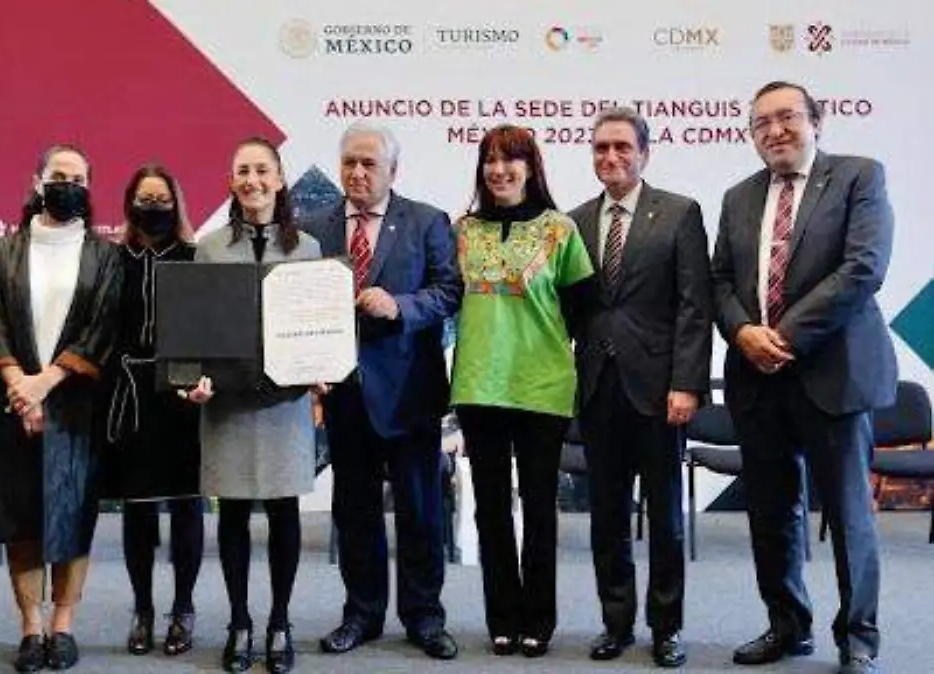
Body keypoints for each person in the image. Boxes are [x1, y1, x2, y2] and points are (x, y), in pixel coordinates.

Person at [712, 81, 895, 674]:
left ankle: (858, 638)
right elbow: (719, 281)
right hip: (757, 378)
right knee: (771, 513)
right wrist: (744, 332)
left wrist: (782, 336)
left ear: (817, 121)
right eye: (761, 123)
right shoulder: (738, 196)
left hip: (833, 372)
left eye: (787, 117)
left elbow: (863, 268)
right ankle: (788, 626)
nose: (775, 131)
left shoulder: (859, 176)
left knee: (847, 514)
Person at [304, 122, 463, 660]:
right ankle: (362, 614)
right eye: (349, 161)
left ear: (393, 170)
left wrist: (400, 306)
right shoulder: (313, 228)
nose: (356, 172)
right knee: (355, 512)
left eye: (369, 163)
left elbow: (449, 291)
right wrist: (306, 365)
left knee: (420, 512)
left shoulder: (426, 221)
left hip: (410, 394)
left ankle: (424, 617)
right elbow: (298, 308)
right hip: (343, 394)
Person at [567, 107, 711, 668]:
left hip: (658, 392)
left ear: (644, 153)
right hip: (596, 390)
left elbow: (695, 307)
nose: (611, 157)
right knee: (607, 518)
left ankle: (666, 628)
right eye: (601, 148)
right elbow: (570, 310)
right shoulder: (574, 221)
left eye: (622, 147)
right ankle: (616, 624)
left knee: (666, 519)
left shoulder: (679, 213)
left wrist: (687, 384)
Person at [449, 124, 594, 658]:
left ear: (531, 168)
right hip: (478, 386)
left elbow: (582, 312)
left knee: (538, 510)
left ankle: (539, 619)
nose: (499, 170)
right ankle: (502, 619)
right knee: (489, 510)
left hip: (541, 387)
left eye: (511, 159)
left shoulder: (560, 230)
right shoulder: (461, 231)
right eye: (489, 159)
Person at [0, 144, 123, 672]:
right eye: (59, 175)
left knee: (72, 515)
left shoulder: (104, 255)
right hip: (13, 402)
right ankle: (30, 627)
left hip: (75, 406)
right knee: (20, 517)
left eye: (78, 178)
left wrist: (45, 384)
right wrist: (20, 386)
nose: (68, 184)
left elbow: (101, 330)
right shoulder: (7, 250)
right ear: (38, 181)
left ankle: (62, 625)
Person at [184, 137, 322, 674]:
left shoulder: (307, 247)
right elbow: (196, 327)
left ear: (280, 179)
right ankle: (239, 622)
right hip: (227, 405)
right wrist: (192, 380)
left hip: (286, 405)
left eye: (263, 170)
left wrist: (323, 366)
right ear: (231, 181)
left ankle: (280, 623)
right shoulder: (209, 247)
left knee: (285, 512)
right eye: (243, 170)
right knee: (235, 514)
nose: (253, 180)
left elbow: (319, 325)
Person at [99, 164, 204, 658]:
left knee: (186, 506)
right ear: (129, 204)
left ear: (176, 205)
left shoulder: (195, 258)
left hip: (182, 397)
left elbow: (212, 327)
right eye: (145, 199)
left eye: (163, 200)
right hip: (130, 396)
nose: (154, 208)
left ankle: (183, 608)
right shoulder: (112, 259)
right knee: (137, 509)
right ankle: (141, 608)